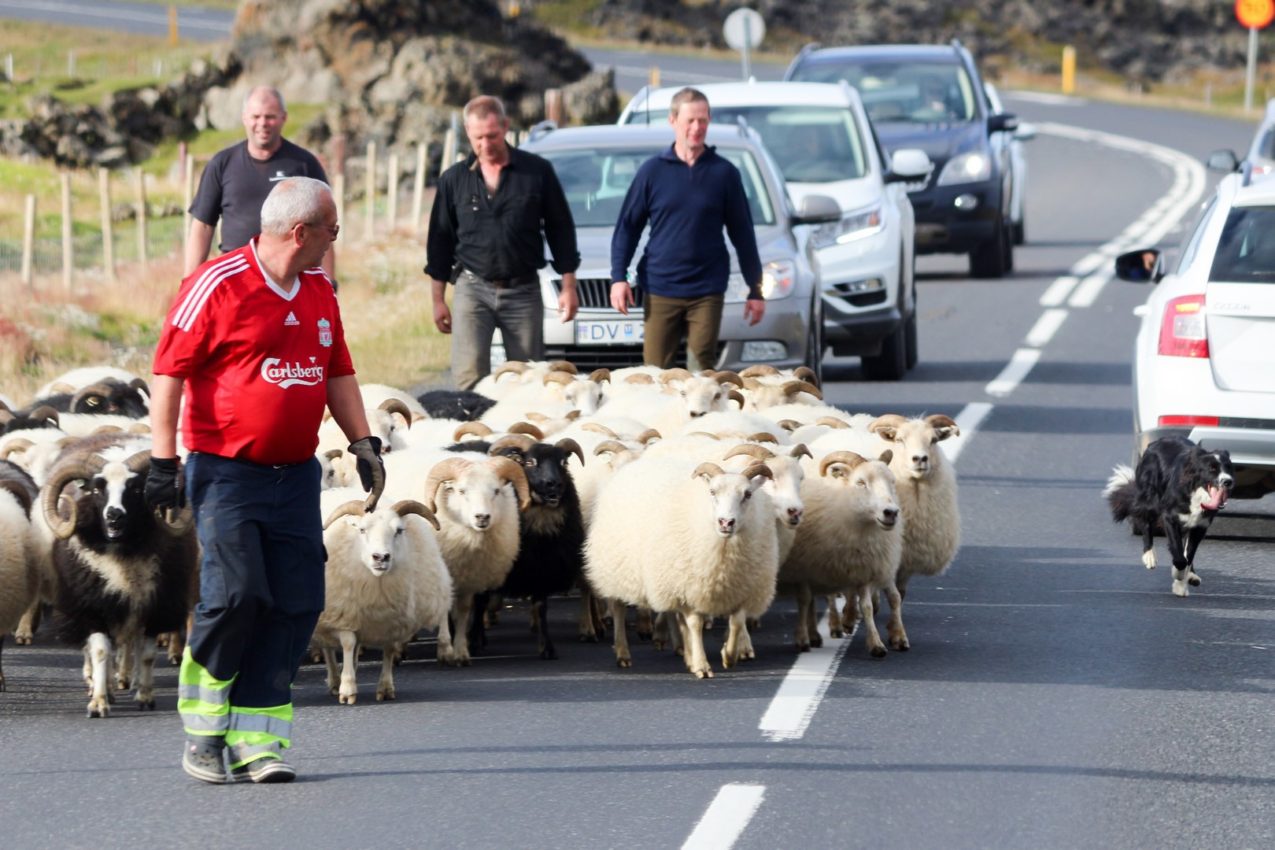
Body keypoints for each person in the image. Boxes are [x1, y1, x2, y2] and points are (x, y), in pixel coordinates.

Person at [147, 176, 384, 785]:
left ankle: (258, 740)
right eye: (332, 228)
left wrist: (362, 442)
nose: (337, 237)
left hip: (296, 476)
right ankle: (204, 731)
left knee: (297, 600)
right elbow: (168, 373)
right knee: (236, 594)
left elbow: (338, 371)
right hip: (226, 472)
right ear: (300, 232)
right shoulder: (216, 284)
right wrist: (162, 460)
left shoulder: (319, 291)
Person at [425, 95, 580, 390]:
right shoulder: (453, 180)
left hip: (523, 290)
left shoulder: (536, 172)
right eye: (478, 137)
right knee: (469, 379)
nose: (485, 144)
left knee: (529, 378)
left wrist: (569, 287)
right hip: (472, 289)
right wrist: (437, 301)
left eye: (492, 136)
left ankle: (524, 435)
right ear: (468, 134)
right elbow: (439, 243)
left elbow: (561, 229)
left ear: (506, 127)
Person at [610, 87, 764, 371]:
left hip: (706, 289)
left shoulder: (724, 173)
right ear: (673, 121)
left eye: (703, 121)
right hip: (660, 288)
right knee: (656, 372)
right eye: (690, 121)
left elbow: (743, 234)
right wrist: (618, 277)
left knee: (701, 371)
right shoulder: (652, 172)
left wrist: (755, 290)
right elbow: (627, 228)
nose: (697, 128)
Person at [185, 86, 335, 280]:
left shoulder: (304, 164)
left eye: (270, 116)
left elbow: (324, 227)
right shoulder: (221, 164)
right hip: (237, 279)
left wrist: (329, 282)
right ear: (244, 118)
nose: (263, 123)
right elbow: (203, 226)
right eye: (256, 117)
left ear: (284, 118)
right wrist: (189, 282)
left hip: (292, 281)